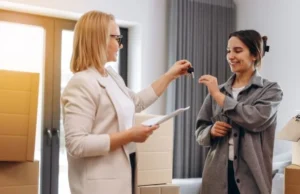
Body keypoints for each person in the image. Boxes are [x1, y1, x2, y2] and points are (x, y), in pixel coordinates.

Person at [61, 10, 191, 194]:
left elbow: (136, 102)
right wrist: (129, 136)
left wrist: (170, 76)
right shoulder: (82, 83)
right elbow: (76, 144)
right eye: (116, 38)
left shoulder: (111, 76)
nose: (120, 45)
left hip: (121, 176)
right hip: (96, 186)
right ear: (99, 40)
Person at [195, 30, 283, 194]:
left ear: (254, 55)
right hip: (215, 177)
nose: (230, 56)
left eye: (237, 51)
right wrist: (210, 131)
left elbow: (255, 119)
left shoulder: (271, 91)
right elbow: (200, 131)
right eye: (228, 51)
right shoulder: (219, 91)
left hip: (252, 179)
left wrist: (217, 96)